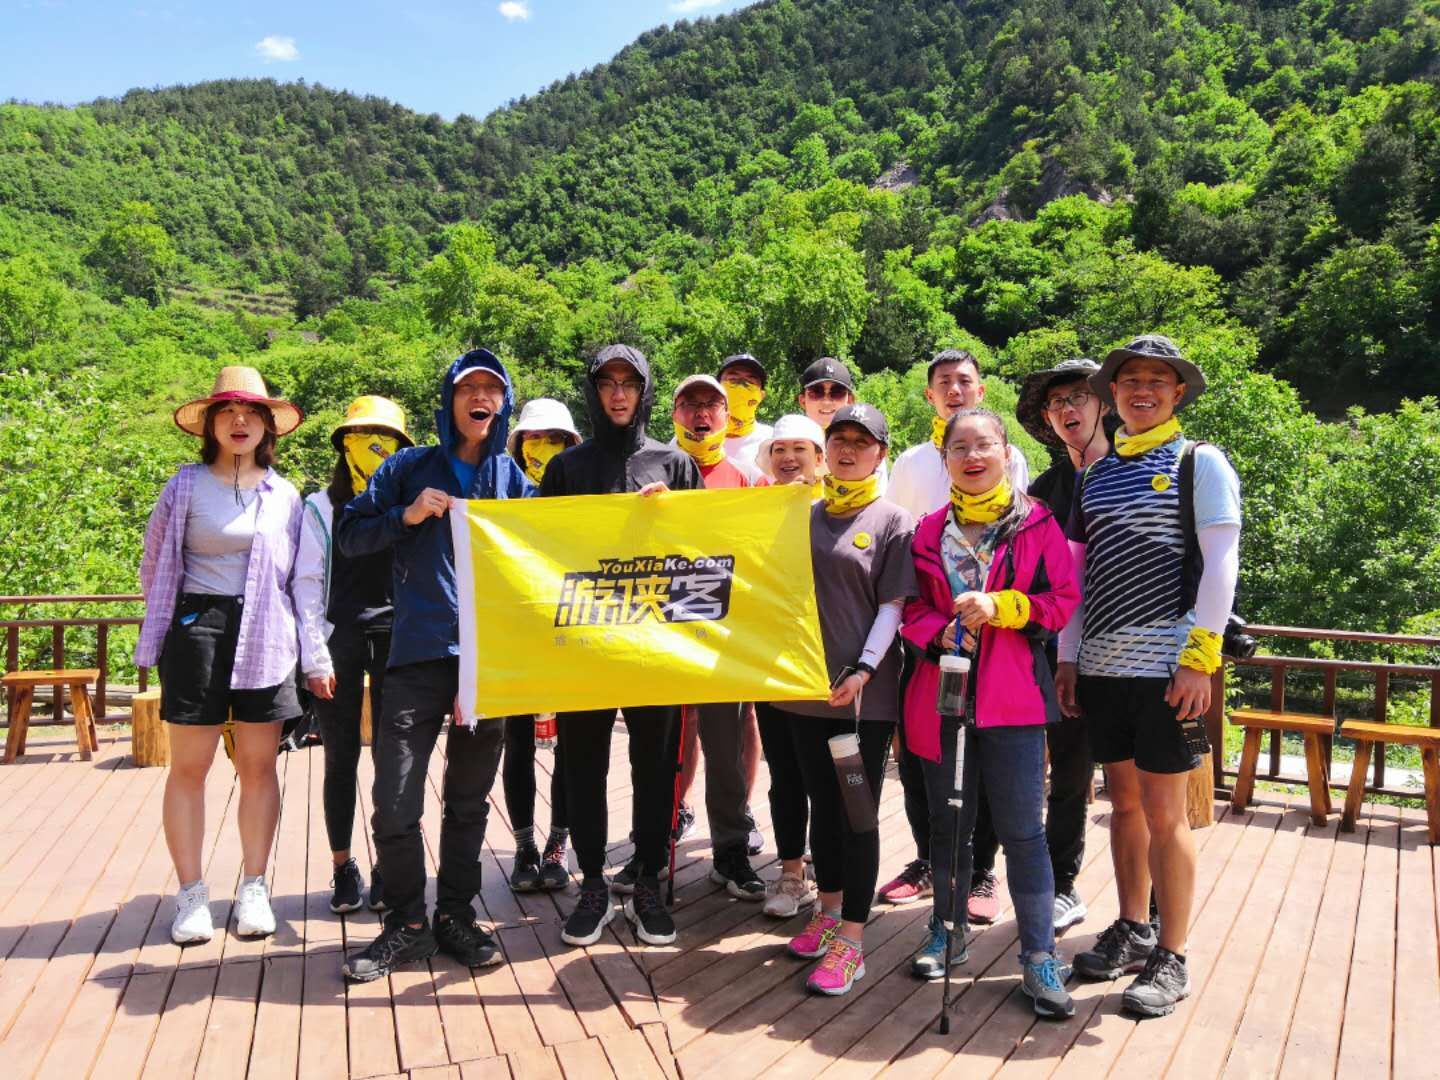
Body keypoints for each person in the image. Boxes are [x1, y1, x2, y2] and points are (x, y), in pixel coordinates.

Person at [1057, 334, 1241, 1018]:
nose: (1142, 390)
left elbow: (1222, 561)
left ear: (1177, 393)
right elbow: (1078, 575)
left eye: (1156, 381)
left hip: (1169, 669)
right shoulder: (1096, 475)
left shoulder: (1200, 462)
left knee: (1167, 814)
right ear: (1112, 394)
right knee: (1124, 807)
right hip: (1103, 667)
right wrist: (1068, 656)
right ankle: (1133, 927)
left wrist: (1201, 656)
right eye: (1129, 380)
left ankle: (1173, 953)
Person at [337, 348, 533, 982]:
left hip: (487, 662)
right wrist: (406, 515)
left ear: (503, 404)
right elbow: (350, 535)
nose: (480, 397)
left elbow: (559, 546)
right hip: (416, 655)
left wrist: (639, 511)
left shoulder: (513, 480)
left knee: (468, 802)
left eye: (491, 389)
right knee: (394, 802)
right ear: (449, 400)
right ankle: (406, 924)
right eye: (468, 387)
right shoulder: (406, 467)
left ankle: (454, 916)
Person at [901, 407, 1079, 1019]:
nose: (972, 457)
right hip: (942, 696)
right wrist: (940, 631)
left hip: (1014, 701)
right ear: (944, 457)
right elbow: (909, 608)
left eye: (984, 445)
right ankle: (946, 931)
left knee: (1023, 831)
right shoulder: (927, 531)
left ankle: (1039, 955)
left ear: (1006, 452)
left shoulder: (1038, 523)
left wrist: (1004, 607)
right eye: (960, 448)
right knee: (948, 825)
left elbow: (1060, 602)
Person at [136, 365, 306, 945]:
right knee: (190, 767)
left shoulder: (285, 494)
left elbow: (298, 576)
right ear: (210, 423)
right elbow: (154, 562)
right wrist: (174, 622)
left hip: (267, 628)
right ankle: (191, 895)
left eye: (251, 412)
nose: (239, 421)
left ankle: (254, 887)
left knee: (258, 766)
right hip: (197, 626)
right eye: (227, 411)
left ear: (267, 426)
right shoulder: (183, 486)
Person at [539, 344, 703, 948]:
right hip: (586, 643)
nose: (617, 393)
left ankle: (648, 882)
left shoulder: (676, 464)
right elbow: (537, 554)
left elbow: (704, 555)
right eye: (606, 382)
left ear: (644, 390)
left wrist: (671, 519)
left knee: (655, 768)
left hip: (652, 645)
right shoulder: (566, 469)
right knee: (583, 764)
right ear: (593, 391)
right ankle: (591, 883)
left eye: (629, 383)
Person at [963, 359, 1113, 931]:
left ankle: (1135, 910)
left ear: (1103, 403)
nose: (1068, 409)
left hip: (1126, 650)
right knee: (1042, 770)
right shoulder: (1043, 493)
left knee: (1113, 784)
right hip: (1045, 650)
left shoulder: (1134, 472)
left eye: (1079, 396)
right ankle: (1030, 880)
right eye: (1056, 403)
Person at [879, 348, 1029, 909]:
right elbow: (896, 541)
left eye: (965, 381)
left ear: (981, 390)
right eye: (944, 382)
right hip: (925, 633)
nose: (955, 390)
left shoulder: (1007, 455)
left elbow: (1020, 533)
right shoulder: (912, 462)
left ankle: (982, 870)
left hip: (993, 635)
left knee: (981, 757)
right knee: (920, 757)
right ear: (929, 395)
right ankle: (928, 858)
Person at [774, 404, 916, 996]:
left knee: (857, 816)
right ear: (825, 448)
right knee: (821, 807)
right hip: (804, 691)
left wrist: (863, 669)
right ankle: (828, 912)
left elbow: (892, 607)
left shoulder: (893, 520)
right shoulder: (800, 515)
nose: (849, 450)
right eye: (839, 439)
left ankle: (853, 941)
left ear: (881, 453)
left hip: (862, 698)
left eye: (862, 441)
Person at [294, 395, 413, 915]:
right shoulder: (320, 507)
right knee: (339, 757)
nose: (373, 446)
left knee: (394, 760)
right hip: (337, 638)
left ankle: (388, 863)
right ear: (343, 444)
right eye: (362, 436)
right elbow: (305, 582)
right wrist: (314, 657)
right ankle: (343, 866)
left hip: (397, 638)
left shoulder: (409, 504)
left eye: (385, 439)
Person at [669, 373, 766, 900]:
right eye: (690, 404)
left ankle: (730, 851)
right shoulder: (652, 468)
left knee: (724, 745)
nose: (701, 413)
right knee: (662, 742)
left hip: (724, 632)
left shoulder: (749, 478)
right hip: (660, 629)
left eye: (712, 404)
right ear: (674, 414)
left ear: (728, 417)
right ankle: (653, 842)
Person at [502, 398, 582, 892]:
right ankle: (524, 845)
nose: (543, 448)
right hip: (516, 634)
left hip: (571, 634)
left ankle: (558, 844)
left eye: (554, 439)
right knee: (517, 742)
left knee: (570, 745)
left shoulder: (587, 494)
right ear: (518, 446)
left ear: (571, 444)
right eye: (533, 439)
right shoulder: (502, 495)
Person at [751, 414, 825, 918]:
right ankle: (791, 872)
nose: (789, 458)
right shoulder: (753, 511)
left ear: (820, 459)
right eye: (779, 449)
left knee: (826, 772)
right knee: (784, 771)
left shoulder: (839, 510)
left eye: (801, 448)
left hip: (827, 661)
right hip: (770, 660)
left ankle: (833, 873)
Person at [794, 357, 889, 490]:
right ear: (803, 400)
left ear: (850, 400)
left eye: (837, 392)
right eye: (817, 392)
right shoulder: (784, 441)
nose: (826, 401)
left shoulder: (869, 445)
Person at [716, 353, 773, 475]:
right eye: (733, 380)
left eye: (750, 382)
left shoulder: (774, 441)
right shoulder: (690, 442)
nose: (741, 387)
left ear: (761, 396)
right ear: (717, 389)